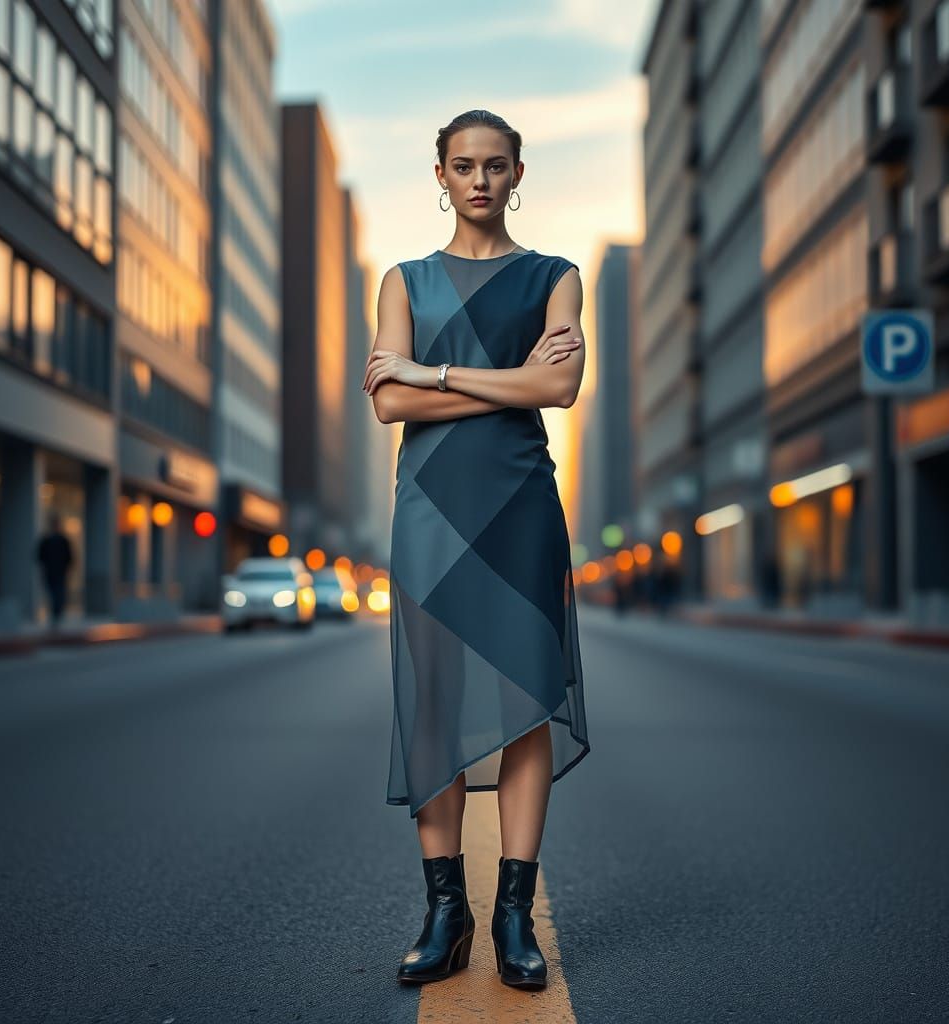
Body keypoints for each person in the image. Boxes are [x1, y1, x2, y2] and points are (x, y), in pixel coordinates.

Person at [363, 109, 591, 991]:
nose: (481, 180)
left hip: (519, 507)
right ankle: (444, 913)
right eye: (464, 166)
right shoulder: (404, 281)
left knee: (527, 702)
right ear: (441, 174)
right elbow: (389, 406)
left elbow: (560, 386)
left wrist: (435, 373)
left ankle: (512, 920)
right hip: (431, 508)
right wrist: (494, 384)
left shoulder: (556, 276)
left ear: (518, 171)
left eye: (496, 166)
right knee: (434, 702)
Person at [35, 513, 73, 629]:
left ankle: (57, 615)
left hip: (60, 573)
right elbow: (39, 555)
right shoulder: (46, 540)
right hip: (50, 572)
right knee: (53, 594)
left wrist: (67, 568)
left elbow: (69, 557)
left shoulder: (63, 540)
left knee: (59, 594)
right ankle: (54, 614)